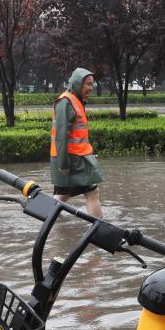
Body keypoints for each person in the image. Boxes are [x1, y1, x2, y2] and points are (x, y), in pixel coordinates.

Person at [51, 67, 104, 218]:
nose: (90, 88)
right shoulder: (66, 102)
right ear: (76, 83)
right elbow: (61, 136)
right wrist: (63, 163)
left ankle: (53, 227)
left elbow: (77, 136)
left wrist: (89, 154)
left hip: (76, 157)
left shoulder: (74, 101)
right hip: (71, 160)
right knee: (92, 192)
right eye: (87, 84)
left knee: (62, 196)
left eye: (92, 84)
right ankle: (101, 229)